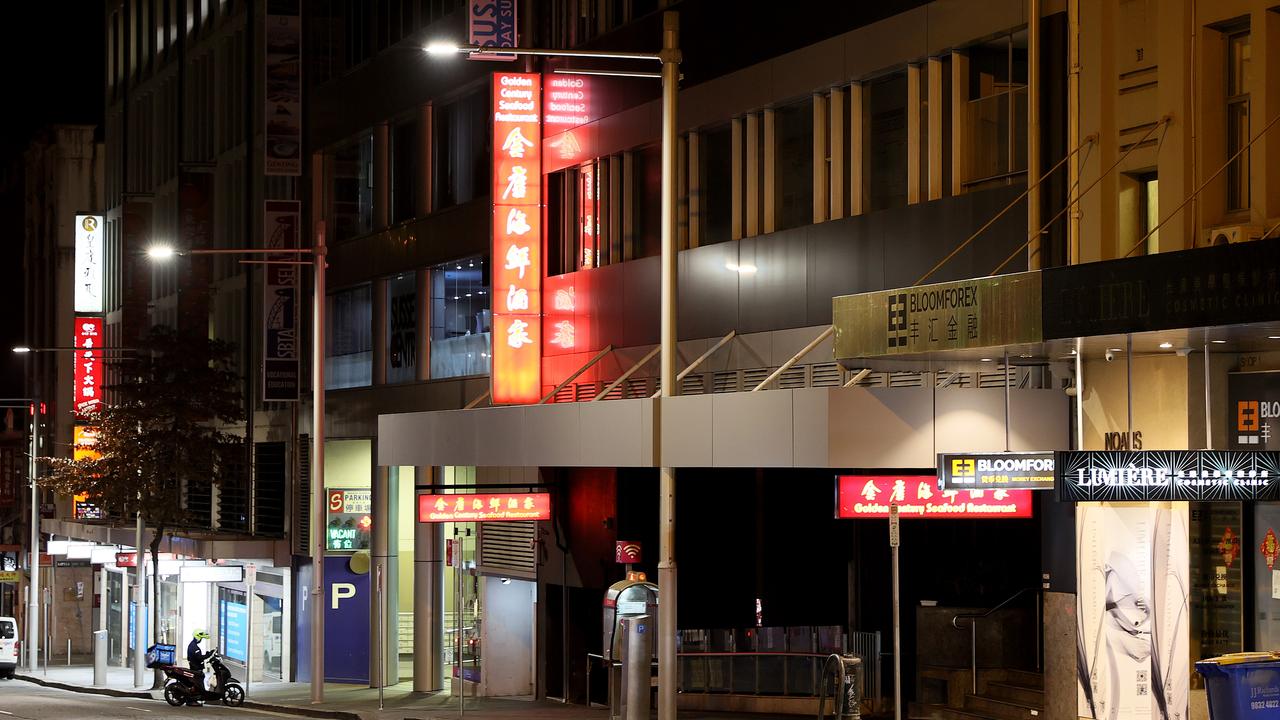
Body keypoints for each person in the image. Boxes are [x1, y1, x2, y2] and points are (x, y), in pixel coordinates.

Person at [186, 630, 212, 706]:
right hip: (195, 669)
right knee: (197, 684)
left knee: (200, 683)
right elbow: (199, 658)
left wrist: (207, 654)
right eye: (201, 638)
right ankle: (191, 700)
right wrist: (208, 655)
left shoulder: (193, 645)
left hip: (196, 668)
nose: (201, 640)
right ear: (198, 638)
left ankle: (198, 698)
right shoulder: (194, 647)